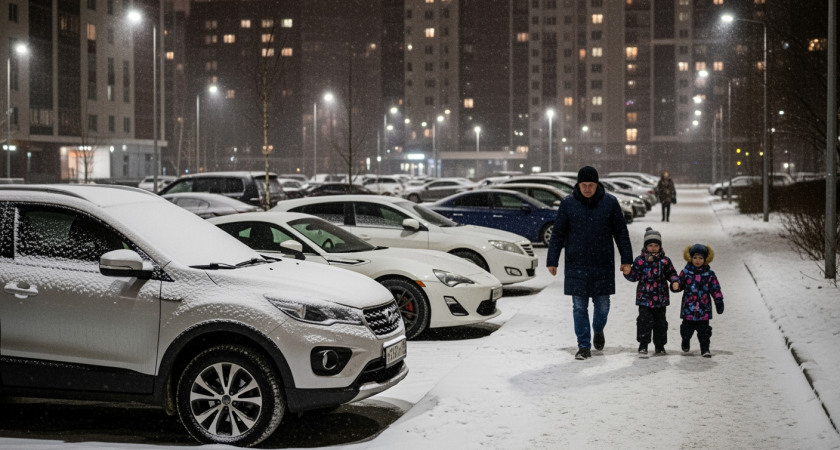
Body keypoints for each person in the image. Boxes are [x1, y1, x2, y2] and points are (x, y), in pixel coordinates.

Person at [547, 166, 633, 360]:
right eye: (583, 185)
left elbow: (621, 232)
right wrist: (552, 260)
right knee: (579, 307)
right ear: (578, 185)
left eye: (590, 185)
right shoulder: (568, 204)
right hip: (576, 263)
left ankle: (598, 329)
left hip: (602, 263)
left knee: (602, 306)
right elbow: (558, 233)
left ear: (597, 184)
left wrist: (627, 259)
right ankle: (583, 346)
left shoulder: (610, 203)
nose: (587, 189)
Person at [623, 227, 680, 356]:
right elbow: (635, 276)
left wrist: (675, 281)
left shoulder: (665, 261)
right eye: (650, 245)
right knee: (644, 321)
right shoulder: (640, 261)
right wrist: (628, 273)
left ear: (660, 246)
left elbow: (671, 273)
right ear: (645, 246)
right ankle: (643, 344)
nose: (653, 248)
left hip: (661, 299)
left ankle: (660, 345)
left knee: (661, 323)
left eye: (656, 245)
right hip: (644, 298)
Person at [674, 243, 724, 358]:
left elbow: (715, 288)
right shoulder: (686, 272)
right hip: (689, 309)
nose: (697, 260)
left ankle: (705, 348)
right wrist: (675, 286)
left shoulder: (709, 274)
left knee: (704, 331)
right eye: (695, 257)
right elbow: (679, 284)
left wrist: (718, 300)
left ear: (705, 259)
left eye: (701, 258)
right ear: (690, 258)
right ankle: (685, 340)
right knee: (686, 329)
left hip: (703, 309)